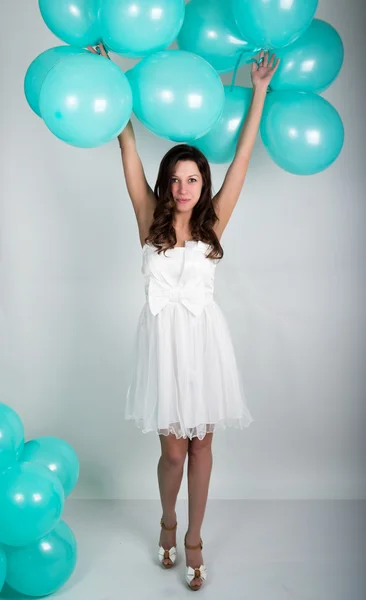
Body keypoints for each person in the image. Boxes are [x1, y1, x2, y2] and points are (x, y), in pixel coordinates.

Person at [88, 43, 279, 591]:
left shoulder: (214, 221)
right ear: (166, 181)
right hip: (162, 345)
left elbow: (242, 159)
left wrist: (260, 91)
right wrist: (111, 83)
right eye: (175, 177)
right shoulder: (149, 216)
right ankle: (166, 518)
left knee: (203, 445)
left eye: (192, 178)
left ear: (203, 183)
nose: (182, 187)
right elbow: (126, 150)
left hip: (202, 342)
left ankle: (193, 537)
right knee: (172, 452)